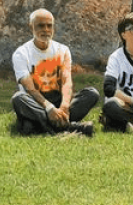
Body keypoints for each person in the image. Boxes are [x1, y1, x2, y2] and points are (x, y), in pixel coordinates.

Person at [11, 8, 98, 136]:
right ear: (31, 27)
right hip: (36, 103)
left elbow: (66, 81)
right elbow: (29, 88)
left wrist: (64, 106)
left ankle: (41, 125)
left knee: (92, 93)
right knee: (18, 98)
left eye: (49, 26)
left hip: (57, 99)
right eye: (40, 25)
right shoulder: (21, 53)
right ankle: (70, 127)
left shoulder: (63, 50)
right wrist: (49, 108)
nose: (46, 29)